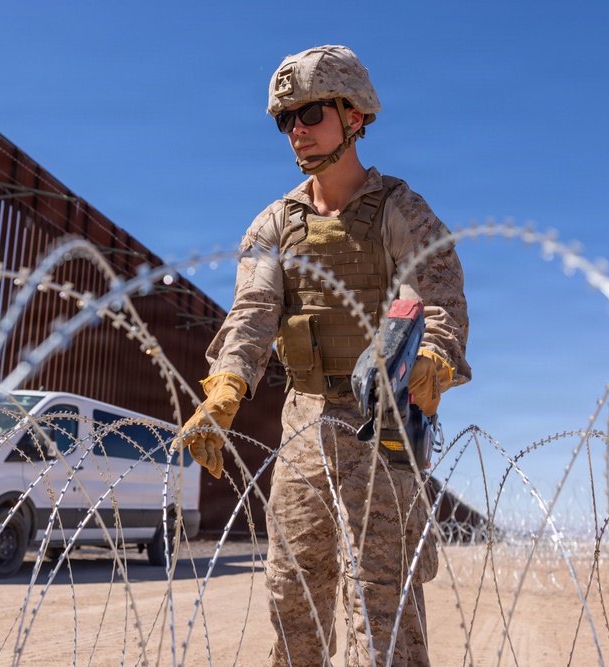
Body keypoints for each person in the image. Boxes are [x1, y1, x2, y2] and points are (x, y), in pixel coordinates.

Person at [178, 45, 470, 666]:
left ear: (355, 115)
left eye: (310, 112)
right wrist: (226, 385)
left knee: (382, 598)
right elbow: (253, 312)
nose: (298, 131)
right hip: (306, 419)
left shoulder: (400, 210)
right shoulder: (272, 226)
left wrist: (433, 359)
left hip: (384, 423)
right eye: (286, 120)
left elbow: (436, 293)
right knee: (292, 590)